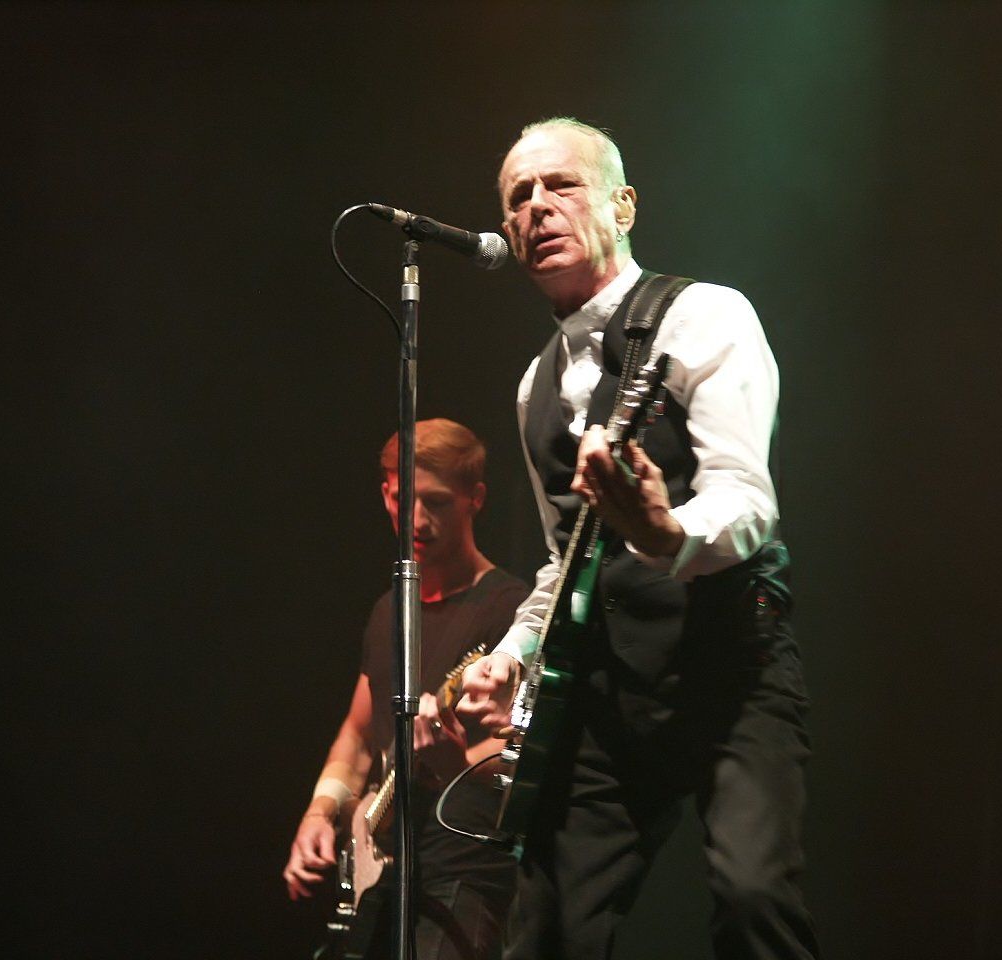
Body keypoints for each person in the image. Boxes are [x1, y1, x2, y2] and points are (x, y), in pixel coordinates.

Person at [457, 118, 820, 960]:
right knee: (547, 927)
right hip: (613, 687)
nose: (537, 207)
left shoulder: (706, 315)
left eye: (561, 185)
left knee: (754, 899)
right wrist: (510, 654)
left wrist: (665, 532)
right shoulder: (534, 388)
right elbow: (565, 560)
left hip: (733, 665)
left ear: (622, 206)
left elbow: (746, 498)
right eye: (518, 197)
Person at [284, 418, 527, 960]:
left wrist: (454, 762)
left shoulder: (513, 612)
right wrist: (320, 813)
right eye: (402, 499)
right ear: (384, 494)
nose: (416, 519)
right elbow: (357, 737)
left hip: (463, 875)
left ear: (476, 498)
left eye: (436, 502)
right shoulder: (388, 611)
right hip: (385, 879)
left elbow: (516, 756)